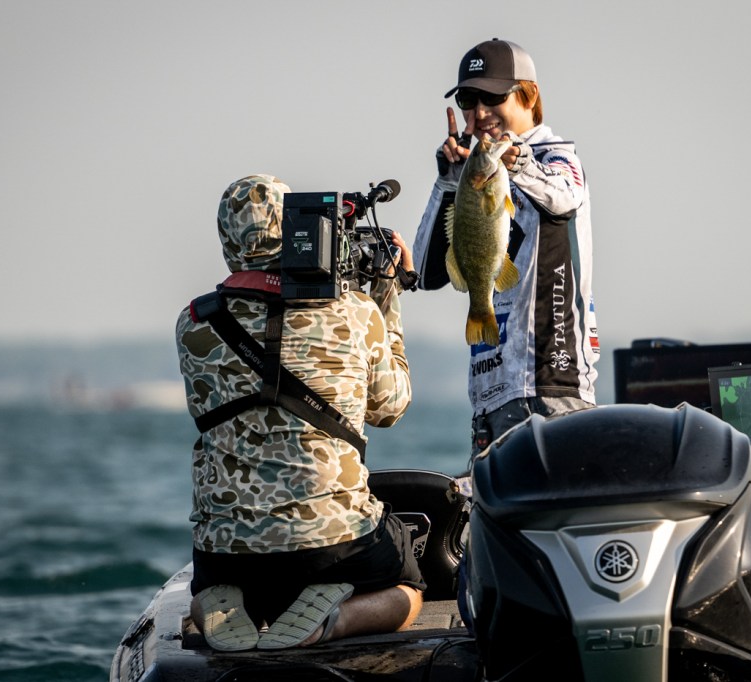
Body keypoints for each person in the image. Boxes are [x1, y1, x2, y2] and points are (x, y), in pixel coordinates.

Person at [176, 174, 424, 651]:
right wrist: (385, 300)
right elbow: (390, 407)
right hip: (334, 544)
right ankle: (333, 621)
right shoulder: (355, 312)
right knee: (409, 589)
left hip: (225, 552)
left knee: (222, 577)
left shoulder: (193, 323)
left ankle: (213, 601)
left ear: (227, 239)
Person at [412, 38, 600, 454]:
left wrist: (518, 162)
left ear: (528, 95)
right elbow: (424, 274)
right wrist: (448, 182)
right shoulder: (473, 170)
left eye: (493, 97)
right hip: (489, 394)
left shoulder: (555, 157)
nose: (479, 112)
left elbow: (565, 198)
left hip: (550, 385)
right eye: (468, 99)